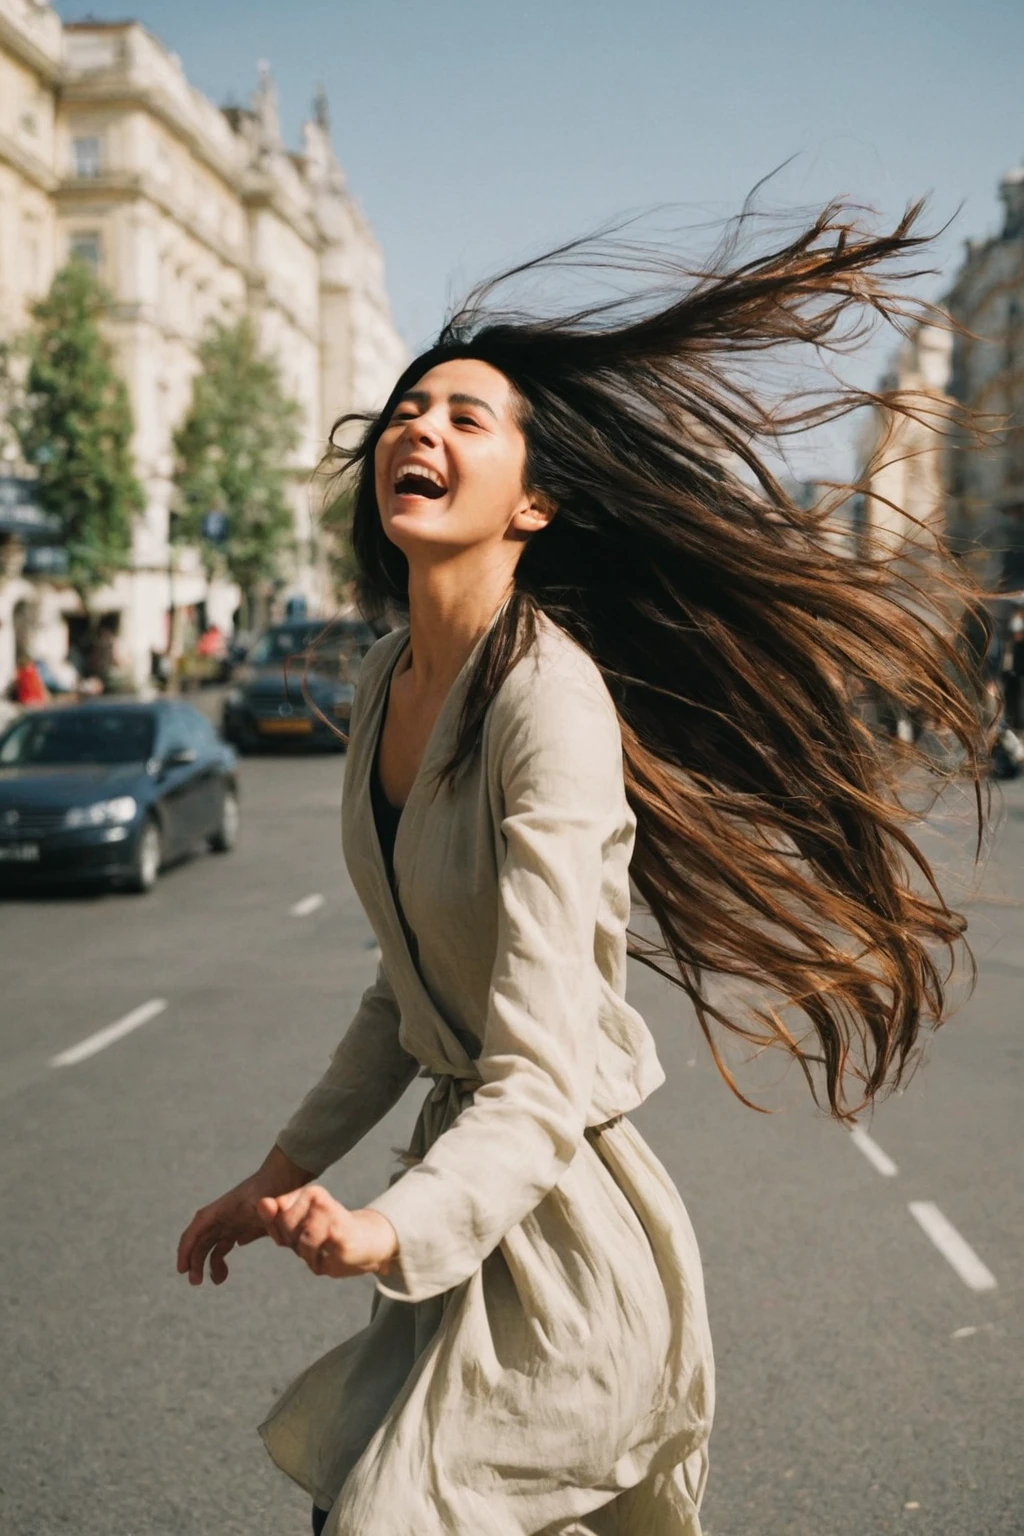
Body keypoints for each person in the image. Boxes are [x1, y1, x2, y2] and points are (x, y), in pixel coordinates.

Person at [177, 202, 986, 1536]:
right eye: (405, 409)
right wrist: (273, 1176)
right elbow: (410, 994)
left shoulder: (547, 701)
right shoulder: (386, 682)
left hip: (561, 1249)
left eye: (464, 417)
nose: (417, 429)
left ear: (534, 500)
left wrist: (386, 1229)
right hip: (465, 1224)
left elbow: (543, 1073)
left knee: (377, 1516)